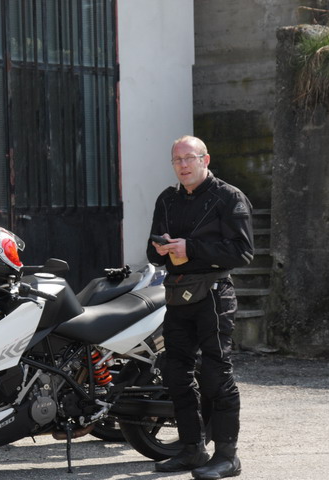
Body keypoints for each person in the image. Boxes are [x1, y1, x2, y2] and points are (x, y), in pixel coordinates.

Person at [147, 135, 254, 479]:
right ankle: (192, 449)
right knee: (175, 372)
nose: (183, 166)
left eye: (189, 159)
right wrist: (162, 249)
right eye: (177, 160)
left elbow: (242, 252)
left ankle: (227, 456)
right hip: (177, 293)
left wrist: (190, 248)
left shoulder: (229, 197)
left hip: (214, 294)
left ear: (205, 160)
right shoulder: (167, 199)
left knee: (215, 374)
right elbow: (152, 253)